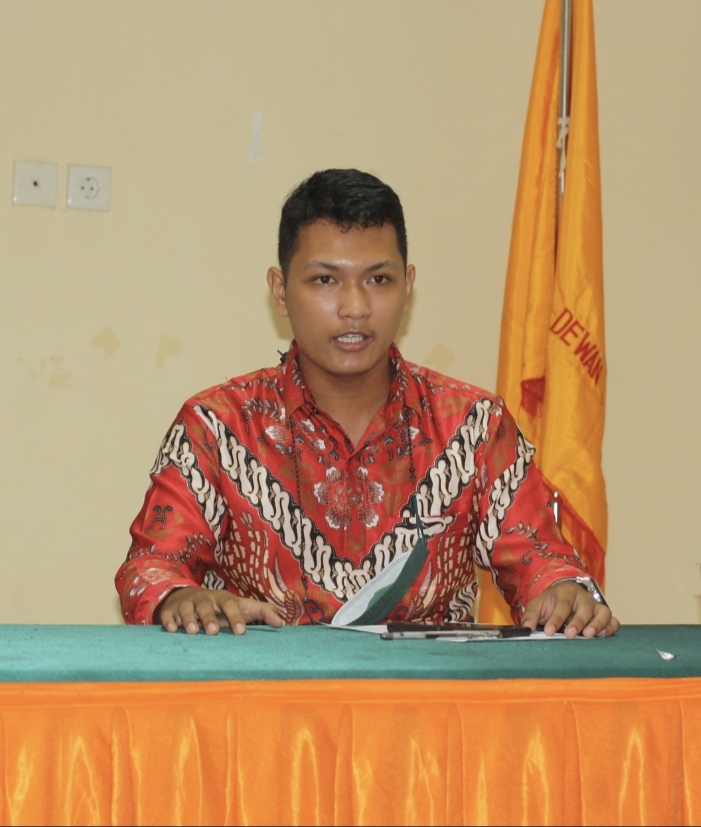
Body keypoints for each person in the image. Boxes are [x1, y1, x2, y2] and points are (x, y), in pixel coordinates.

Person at [115, 168, 620, 640]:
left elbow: (543, 561)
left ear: (408, 286)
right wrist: (179, 597)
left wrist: (563, 593)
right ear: (280, 291)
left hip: (431, 700)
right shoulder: (216, 427)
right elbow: (151, 567)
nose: (355, 308)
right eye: (325, 280)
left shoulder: (474, 426)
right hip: (268, 699)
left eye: (378, 280)